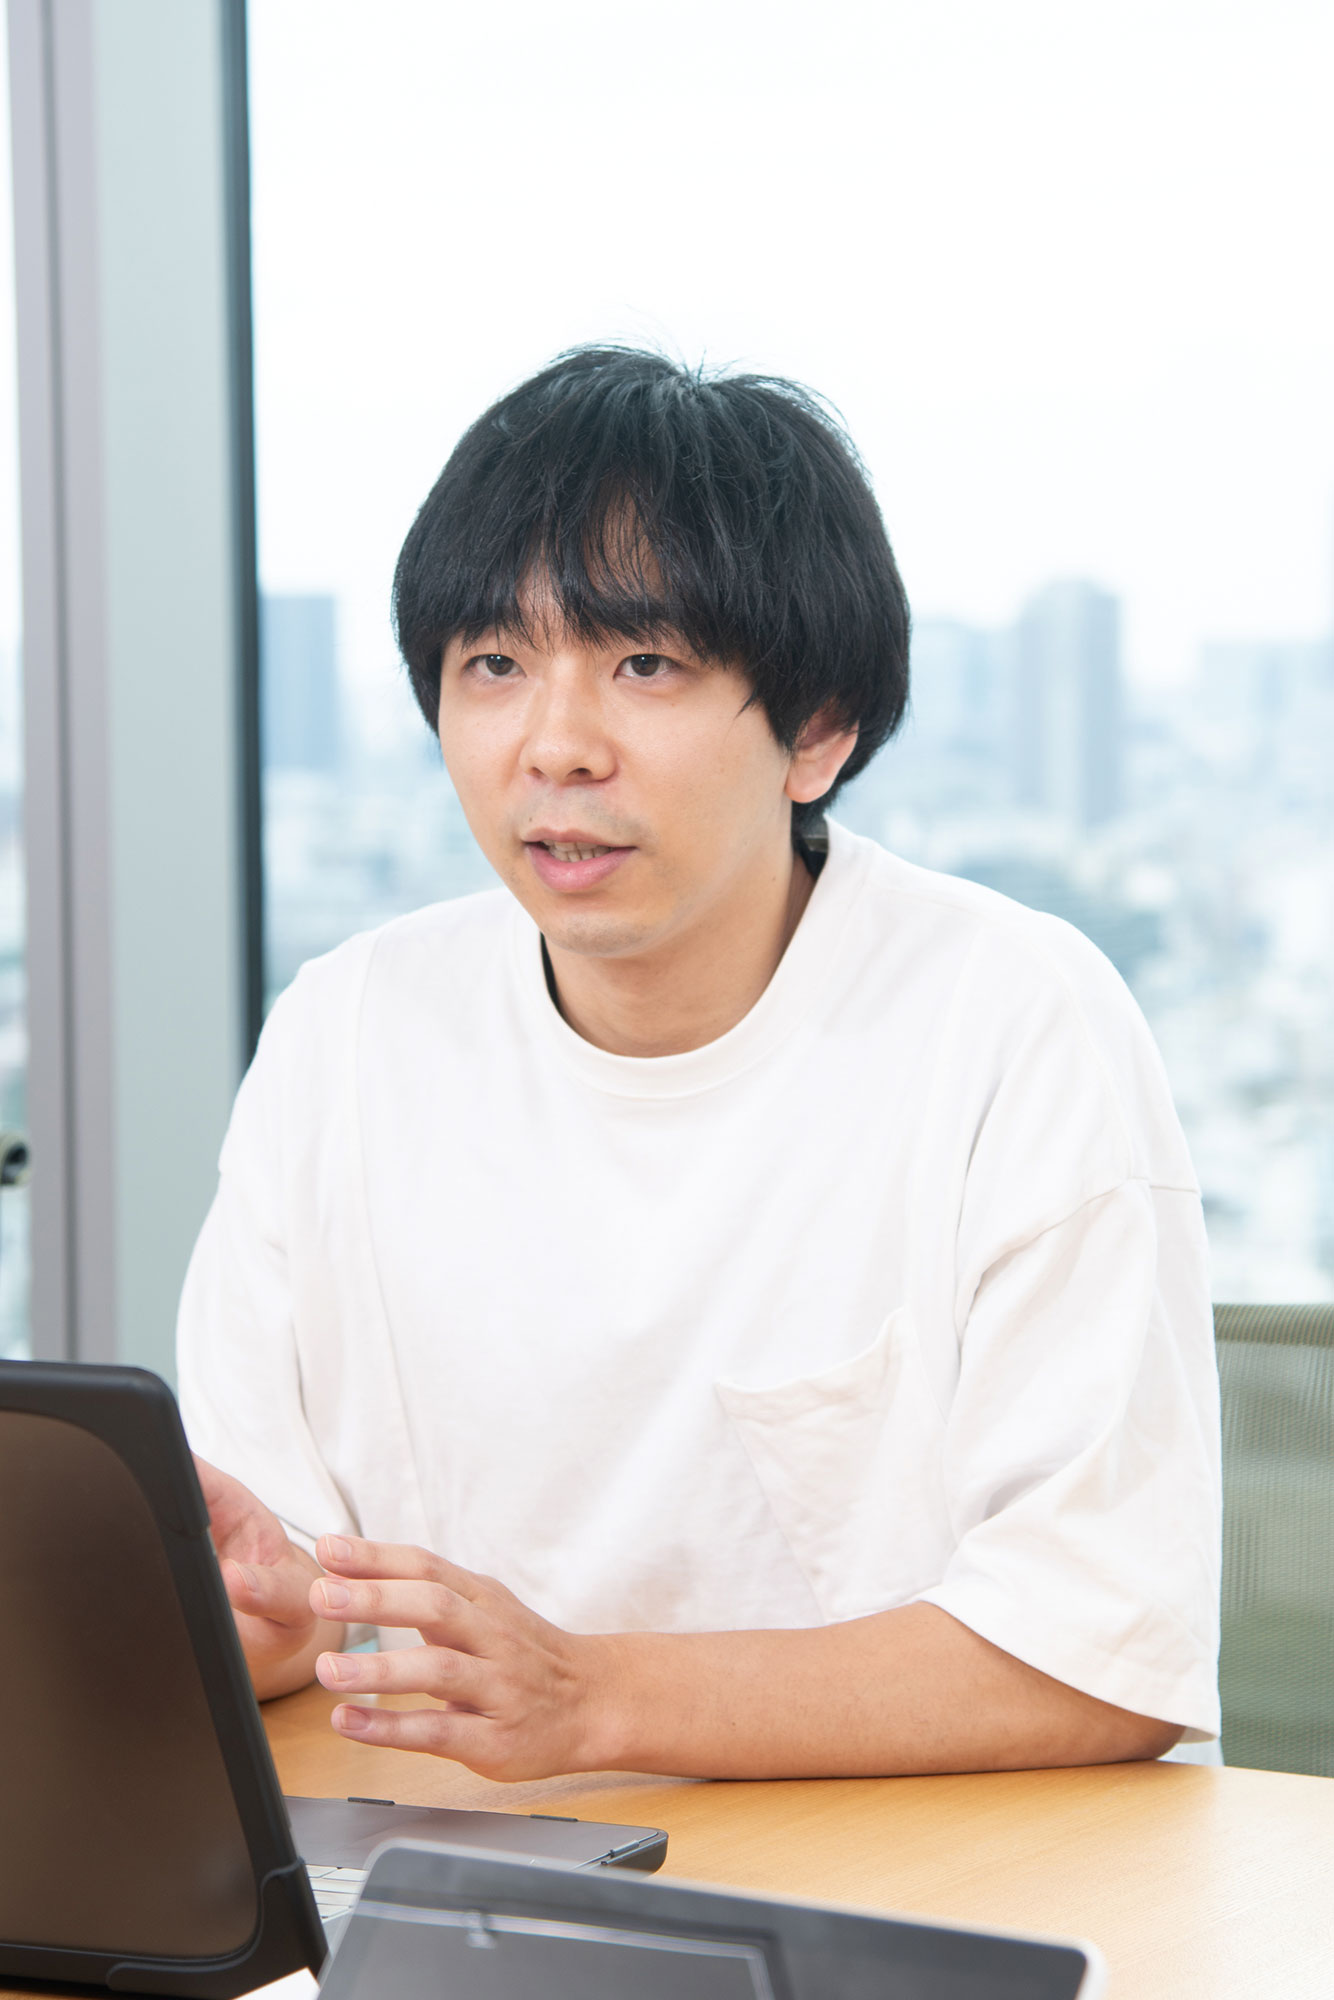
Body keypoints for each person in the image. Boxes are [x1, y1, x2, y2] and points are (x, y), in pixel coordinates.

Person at [178, 347, 1220, 1783]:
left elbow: (1099, 1654)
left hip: (936, 1898)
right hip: (462, 1884)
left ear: (817, 730)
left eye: (644, 664)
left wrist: (591, 1700)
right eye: (493, 664)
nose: (554, 744)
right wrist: (250, 1609)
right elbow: (291, 1597)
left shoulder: (1010, 1020)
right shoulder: (347, 1028)